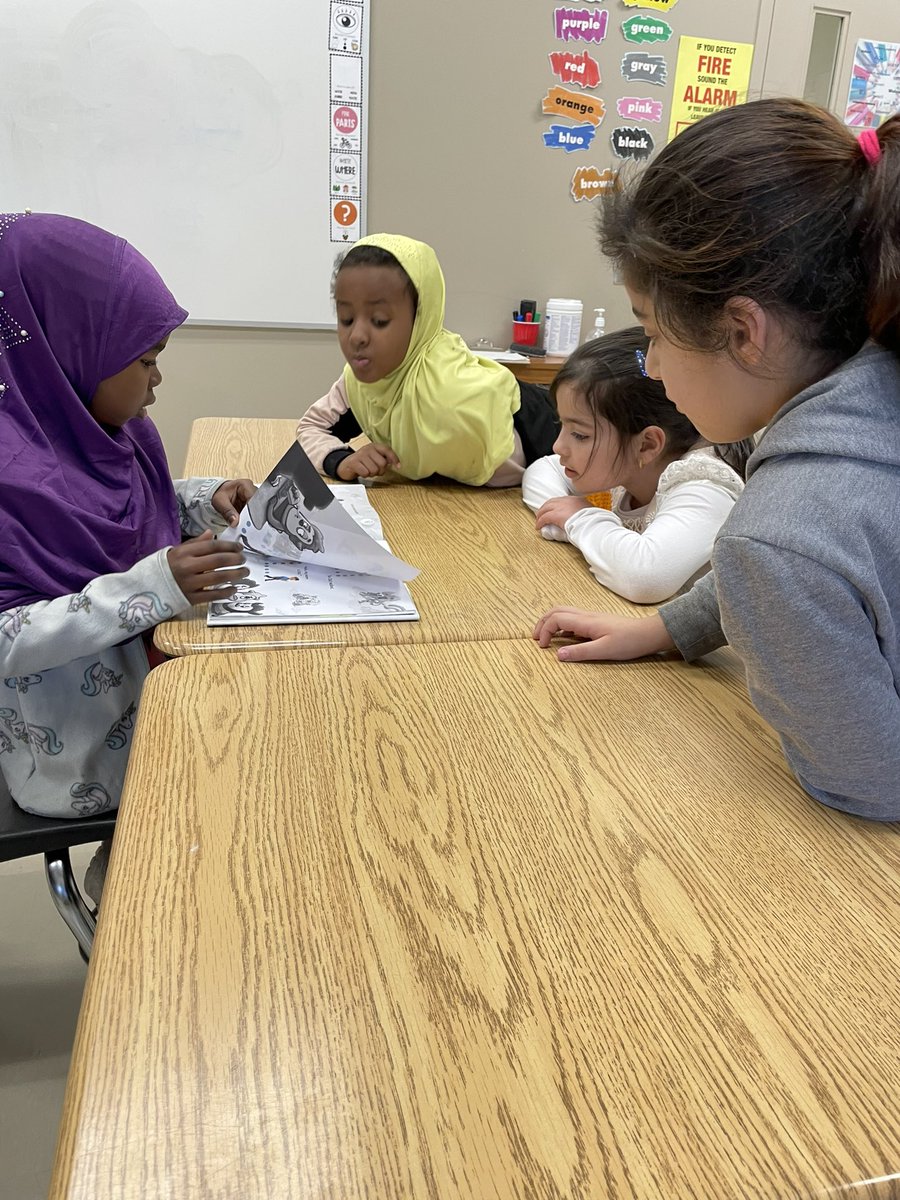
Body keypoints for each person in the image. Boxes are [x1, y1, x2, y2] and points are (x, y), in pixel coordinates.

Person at [534, 98, 900, 821]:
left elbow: (871, 783)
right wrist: (671, 627)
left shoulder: (780, 535)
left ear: (742, 332)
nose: (654, 368)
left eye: (652, 333)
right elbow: (829, 573)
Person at [0, 212, 254, 897]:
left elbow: (129, 511)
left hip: (150, 703)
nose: (158, 380)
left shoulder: (100, 432)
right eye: (145, 360)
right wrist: (153, 587)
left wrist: (207, 499)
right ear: (67, 349)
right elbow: (8, 637)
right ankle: (129, 916)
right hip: (79, 766)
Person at [297, 233, 559, 486]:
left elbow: (524, 474)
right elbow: (311, 427)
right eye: (346, 319)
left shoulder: (460, 399)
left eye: (379, 320)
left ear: (421, 318)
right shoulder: (360, 380)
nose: (356, 337)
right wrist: (341, 461)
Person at [522, 328, 747, 603]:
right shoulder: (626, 463)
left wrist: (578, 520)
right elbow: (542, 469)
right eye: (562, 425)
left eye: (580, 435)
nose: (558, 447)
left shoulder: (705, 486)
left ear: (647, 445)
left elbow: (645, 579)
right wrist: (561, 519)